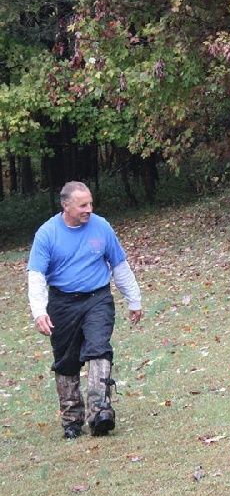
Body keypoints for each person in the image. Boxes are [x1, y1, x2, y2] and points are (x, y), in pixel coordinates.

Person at [27, 181, 142, 438]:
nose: (89, 209)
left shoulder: (101, 227)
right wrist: (39, 312)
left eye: (90, 203)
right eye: (82, 205)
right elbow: (36, 276)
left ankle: (100, 411)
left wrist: (134, 299)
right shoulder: (47, 234)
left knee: (99, 349)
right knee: (66, 361)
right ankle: (71, 420)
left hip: (97, 299)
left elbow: (120, 265)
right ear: (66, 206)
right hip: (62, 303)